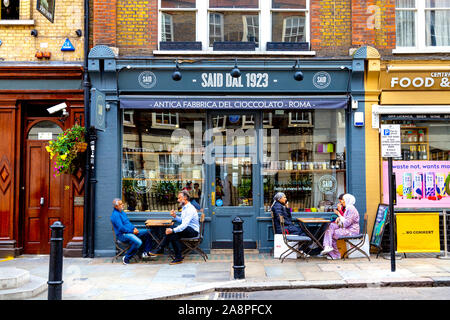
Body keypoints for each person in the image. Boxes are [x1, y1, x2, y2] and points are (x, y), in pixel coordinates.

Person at [148, 190, 199, 265]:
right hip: (187, 229)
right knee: (173, 234)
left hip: (193, 231)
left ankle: (160, 249)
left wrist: (173, 230)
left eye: (179, 198)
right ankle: (177, 257)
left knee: (172, 231)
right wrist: (175, 216)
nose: (178, 200)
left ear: (185, 198)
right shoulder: (185, 208)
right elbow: (182, 220)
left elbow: (184, 225)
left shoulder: (190, 209)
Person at [110, 198, 153, 264]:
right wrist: (132, 231)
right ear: (116, 206)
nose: (123, 205)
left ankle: (145, 252)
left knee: (148, 232)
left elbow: (128, 223)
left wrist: (134, 228)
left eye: (122, 203)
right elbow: (121, 228)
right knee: (138, 242)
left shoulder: (122, 212)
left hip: (130, 232)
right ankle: (126, 258)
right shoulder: (115, 215)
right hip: (123, 235)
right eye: (120, 204)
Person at [320, 193, 360, 259]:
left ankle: (335, 255)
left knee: (334, 233)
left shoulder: (351, 209)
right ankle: (327, 246)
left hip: (351, 230)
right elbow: (345, 221)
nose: (342, 201)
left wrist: (339, 215)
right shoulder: (348, 208)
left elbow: (346, 223)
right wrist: (340, 217)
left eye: (344, 200)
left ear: (348, 200)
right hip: (346, 228)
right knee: (331, 226)